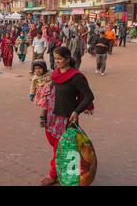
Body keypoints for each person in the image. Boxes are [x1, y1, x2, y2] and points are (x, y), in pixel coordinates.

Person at [41, 46, 95, 186]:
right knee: (57, 144)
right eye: (55, 58)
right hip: (53, 115)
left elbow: (89, 96)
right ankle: (65, 170)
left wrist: (77, 111)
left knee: (61, 147)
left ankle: (54, 175)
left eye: (59, 59)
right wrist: (44, 113)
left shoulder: (76, 77)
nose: (56, 61)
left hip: (66, 117)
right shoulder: (56, 74)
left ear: (68, 59)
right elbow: (50, 95)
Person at [29, 60, 52, 127]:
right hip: (42, 95)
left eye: (40, 68)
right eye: (35, 69)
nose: (37, 70)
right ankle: (42, 118)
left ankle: (46, 116)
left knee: (49, 106)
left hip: (51, 93)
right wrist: (31, 94)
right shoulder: (35, 78)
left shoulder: (50, 73)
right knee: (45, 107)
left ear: (44, 68)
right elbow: (32, 87)